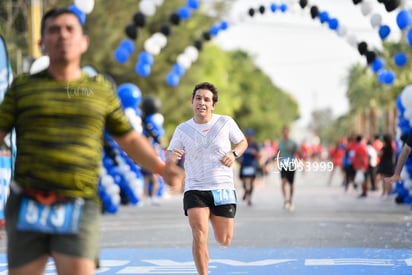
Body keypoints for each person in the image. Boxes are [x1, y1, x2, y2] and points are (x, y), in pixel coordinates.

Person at [0, 8, 184, 275]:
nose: (62, 35)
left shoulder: (99, 90)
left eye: (69, 29)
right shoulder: (22, 89)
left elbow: (129, 139)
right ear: (41, 44)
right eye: (53, 30)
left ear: (83, 41)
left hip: (79, 203)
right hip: (27, 202)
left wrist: (160, 168)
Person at [167, 81, 248, 275]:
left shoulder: (225, 122)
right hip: (195, 189)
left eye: (206, 99)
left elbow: (242, 142)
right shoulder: (182, 129)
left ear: (213, 105)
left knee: (224, 239)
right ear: (192, 102)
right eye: (198, 98)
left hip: (222, 188)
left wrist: (234, 154)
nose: (201, 102)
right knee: (199, 234)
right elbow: (170, 153)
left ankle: (212, 216)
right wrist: (172, 156)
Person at [276, 126, 299, 211]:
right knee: (283, 182)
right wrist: (277, 163)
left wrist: (293, 150)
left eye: (286, 131)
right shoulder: (280, 143)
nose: (285, 133)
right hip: (283, 164)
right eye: (284, 132)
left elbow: (299, 152)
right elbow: (278, 153)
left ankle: (291, 200)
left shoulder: (293, 143)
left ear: (288, 132)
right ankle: (285, 200)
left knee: (291, 184)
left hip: (291, 164)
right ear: (282, 133)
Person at [238, 128, 260, 206]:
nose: (249, 137)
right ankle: (246, 192)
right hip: (244, 165)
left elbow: (259, 156)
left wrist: (254, 153)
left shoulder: (255, 145)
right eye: (248, 135)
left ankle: (249, 198)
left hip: (252, 165)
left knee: (251, 183)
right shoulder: (243, 144)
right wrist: (239, 160)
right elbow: (238, 154)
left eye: (250, 135)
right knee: (244, 183)